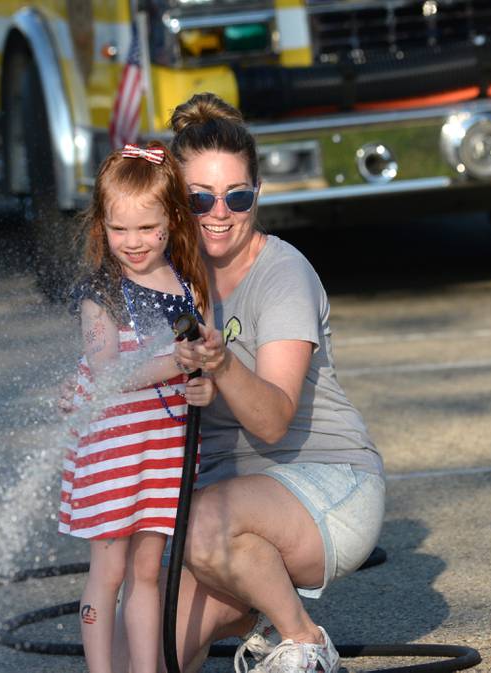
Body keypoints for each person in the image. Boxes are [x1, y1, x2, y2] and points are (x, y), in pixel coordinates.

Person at [165, 93, 387, 673]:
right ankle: (260, 610)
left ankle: (303, 639)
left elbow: (272, 419)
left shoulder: (283, 273)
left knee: (199, 523)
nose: (219, 212)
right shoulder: (166, 280)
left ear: (256, 194)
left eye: (236, 195)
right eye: (199, 197)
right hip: (227, 513)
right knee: (144, 643)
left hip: (326, 483)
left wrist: (221, 362)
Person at [57, 141, 216, 673]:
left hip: (165, 450)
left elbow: (197, 372)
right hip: (114, 453)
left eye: (147, 229)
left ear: (172, 219)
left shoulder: (188, 288)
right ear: (102, 225)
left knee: (149, 570)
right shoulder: (100, 292)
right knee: (109, 568)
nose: (133, 243)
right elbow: (108, 374)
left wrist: (203, 386)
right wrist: (178, 362)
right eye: (119, 229)